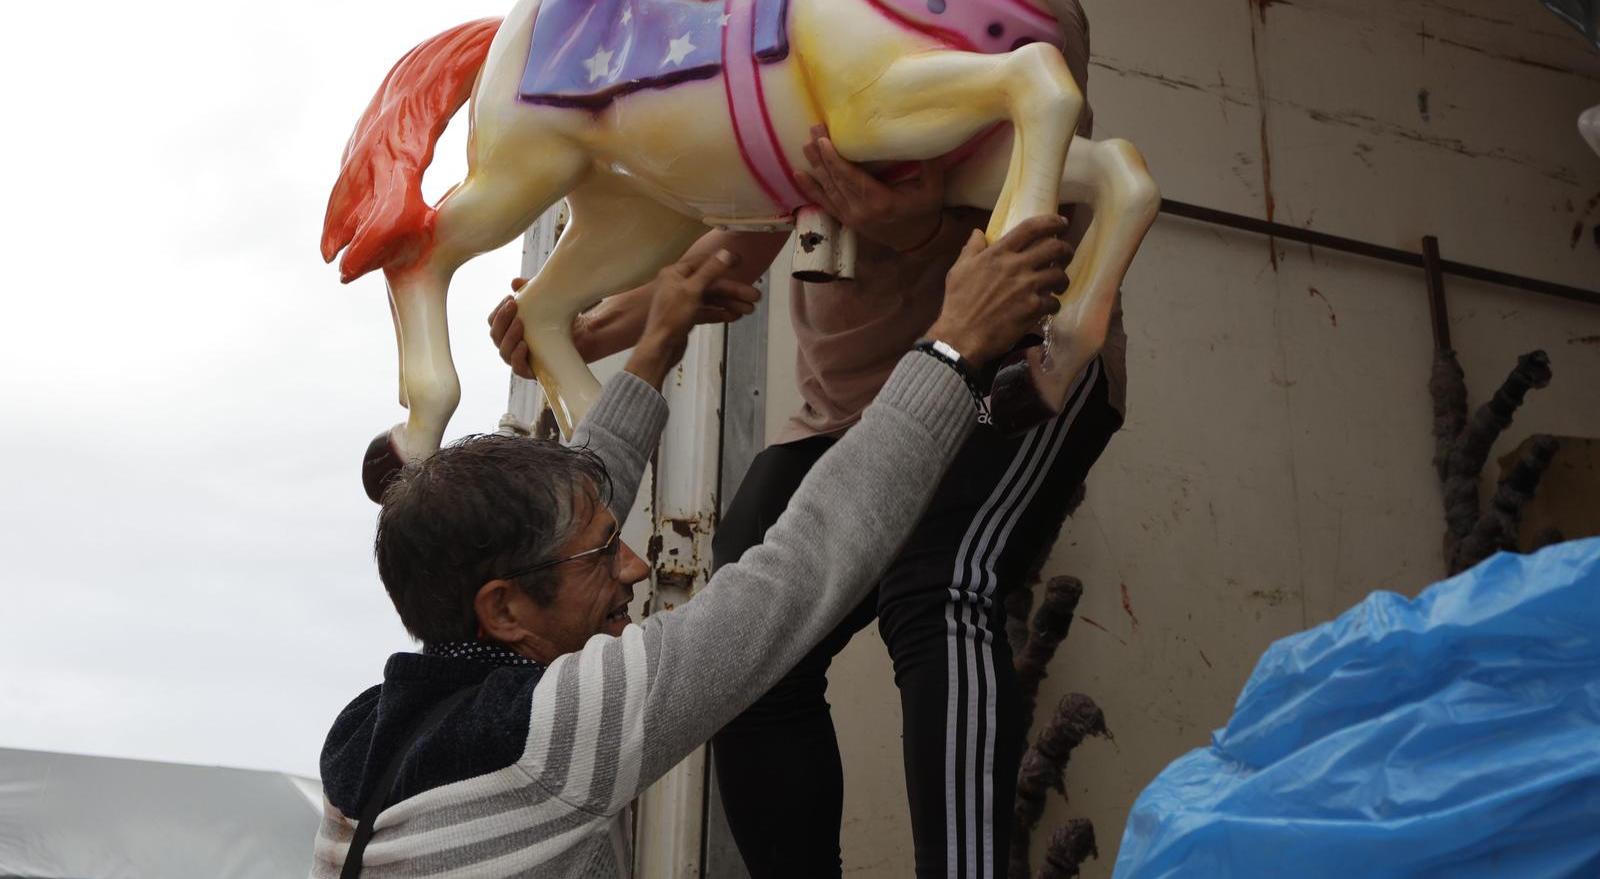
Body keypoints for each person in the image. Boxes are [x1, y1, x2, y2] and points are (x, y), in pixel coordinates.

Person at [487, 0, 1130, 879]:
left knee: (942, 586)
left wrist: (917, 224)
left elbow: (1031, 195)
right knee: (750, 649)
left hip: (1006, 374)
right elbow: (734, 246)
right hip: (842, 413)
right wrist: (588, 325)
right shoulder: (811, 24)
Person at [314, 222, 1073, 877]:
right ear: (504, 607)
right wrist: (953, 346)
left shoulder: (368, 741)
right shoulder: (552, 731)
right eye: (604, 554)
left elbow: (575, 506)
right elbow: (800, 569)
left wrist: (658, 341)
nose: (637, 565)